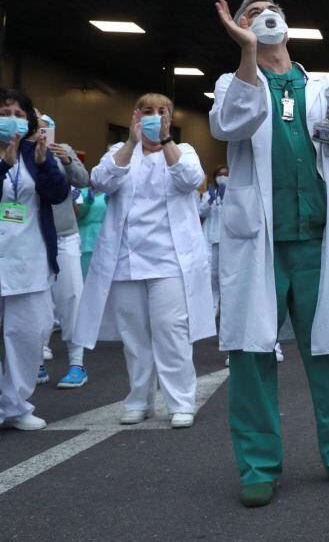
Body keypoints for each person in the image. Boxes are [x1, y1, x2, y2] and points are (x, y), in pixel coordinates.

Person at [210, 0, 329, 507]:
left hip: (317, 240)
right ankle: (258, 466)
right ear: (238, 27)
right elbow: (230, 125)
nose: (263, 17)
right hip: (257, 243)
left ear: (285, 23)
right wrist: (246, 54)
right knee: (251, 355)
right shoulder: (231, 83)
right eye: (250, 13)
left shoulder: (324, 83)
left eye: (271, 10)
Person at [73, 93, 215, 430]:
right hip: (127, 259)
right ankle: (140, 399)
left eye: (161, 111)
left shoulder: (185, 152)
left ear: (170, 118)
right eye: (146, 111)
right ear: (135, 116)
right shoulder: (118, 154)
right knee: (133, 335)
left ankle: (181, 401)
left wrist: (165, 140)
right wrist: (130, 143)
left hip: (169, 261)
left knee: (171, 331)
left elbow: (191, 179)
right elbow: (100, 181)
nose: (153, 116)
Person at [0, 89, 69, 430]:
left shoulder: (33, 151)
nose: (11, 117)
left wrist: (43, 166)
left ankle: (14, 405)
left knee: (28, 334)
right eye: (4, 111)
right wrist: (3, 165)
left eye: (17, 112)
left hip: (29, 259)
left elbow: (58, 194)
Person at [37, 113, 93, 388]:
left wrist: (68, 160)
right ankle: (34, 361)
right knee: (36, 302)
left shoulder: (64, 151)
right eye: (39, 128)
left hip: (64, 235)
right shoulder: (20, 152)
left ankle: (77, 364)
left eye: (47, 128)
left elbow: (84, 180)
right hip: (33, 238)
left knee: (71, 297)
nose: (43, 132)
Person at [199, 164, 229, 314]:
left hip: (226, 240)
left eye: (225, 174)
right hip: (211, 238)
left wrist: (226, 199)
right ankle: (212, 307)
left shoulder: (232, 194)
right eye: (220, 174)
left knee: (225, 274)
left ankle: (225, 307)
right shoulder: (208, 194)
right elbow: (201, 212)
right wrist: (210, 200)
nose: (222, 176)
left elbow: (235, 214)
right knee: (211, 274)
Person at [76, 184, 107, 278]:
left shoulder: (109, 193)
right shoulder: (80, 192)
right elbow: (78, 214)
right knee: (85, 279)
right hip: (85, 242)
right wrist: (87, 202)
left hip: (104, 240)